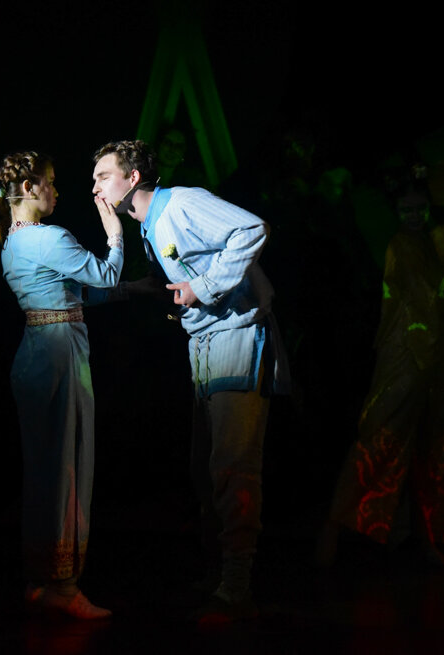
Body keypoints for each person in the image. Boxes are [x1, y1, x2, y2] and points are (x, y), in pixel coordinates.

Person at [91, 140, 289, 621]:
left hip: (236, 337)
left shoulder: (181, 202)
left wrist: (203, 287)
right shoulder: (147, 228)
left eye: (102, 176)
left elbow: (251, 229)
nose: (94, 186)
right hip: (203, 345)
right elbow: (176, 280)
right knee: (206, 468)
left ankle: (237, 581)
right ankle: (219, 569)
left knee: (232, 465)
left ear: (132, 178)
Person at [0, 151, 123, 620]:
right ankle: (64, 585)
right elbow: (105, 274)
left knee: (44, 467)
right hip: (61, 354)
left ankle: (42, 577)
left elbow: (72, 293)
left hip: (36, 353)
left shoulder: (11, 242)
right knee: (68, 462)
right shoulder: (49, 237)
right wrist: (115, 233)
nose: (57, 191)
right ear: (29, 187)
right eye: (51, 182)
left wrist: (131, 291)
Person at [318, 175, 444, 567]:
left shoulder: (426, 245)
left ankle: (423, 539)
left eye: (420, 208)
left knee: (429, 446)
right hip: (406, 356)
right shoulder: (400, 246)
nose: (415, 215)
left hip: (431, 356)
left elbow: (441, 296)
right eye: (407, 209)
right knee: (380, 438)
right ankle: (333, 533)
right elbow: (428, 295)